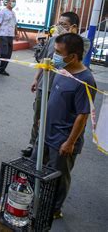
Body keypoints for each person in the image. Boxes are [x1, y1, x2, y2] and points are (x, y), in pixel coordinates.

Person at [31, 33, 96, 219]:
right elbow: (54, 97)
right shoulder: (62, 70)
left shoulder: (85, 80)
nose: (54, 57)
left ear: (73, 56)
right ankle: (36, 199)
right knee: (35, 166)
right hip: (45, 132)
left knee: (58, 176)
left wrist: (70, 142)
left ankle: (54, 209)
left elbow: (82, 116)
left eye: (58, 53)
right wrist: (42, 119)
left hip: (63, 139)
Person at [22, 12, 91, 157]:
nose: (59, 27)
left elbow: (79, 58)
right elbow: (44, 60)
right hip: (44, 84)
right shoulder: (53, 40)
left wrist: (69, 36)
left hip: (62, 88)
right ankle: (34, 144)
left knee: (57, 118)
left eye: (63, 24)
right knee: (38, 117)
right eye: (58, 24)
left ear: (73, 26)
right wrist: (36, 78)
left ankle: (53, 146)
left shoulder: (82, 42)